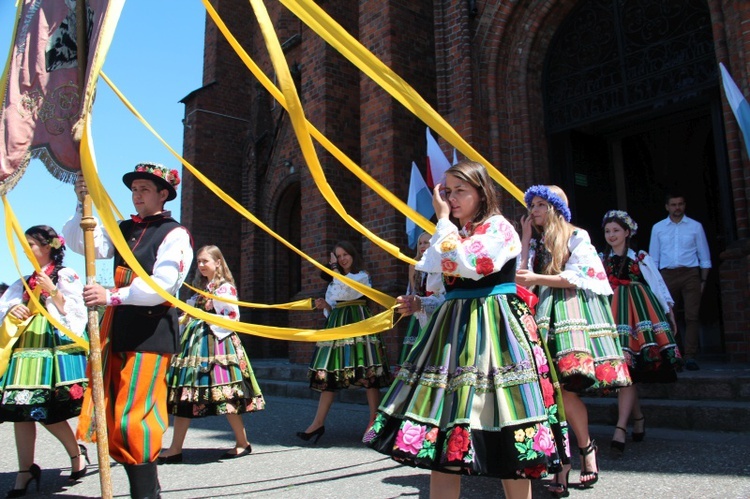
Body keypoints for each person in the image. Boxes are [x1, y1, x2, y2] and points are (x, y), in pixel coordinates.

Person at [364, 161, 567, 499]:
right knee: (445, 427)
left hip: (495, 329)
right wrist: (422, 305)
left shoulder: (499, 228)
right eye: (447, 191)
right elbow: (450, 289)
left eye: (460, 191)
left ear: (480, 192)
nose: (451, 198)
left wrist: (443, 220)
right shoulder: (458, 233)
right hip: (453, 331)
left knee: (509, 423)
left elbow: (471, 265)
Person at [63, 163, 193, 499]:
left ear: (164, 194)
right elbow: (82, 242)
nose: (136, 196)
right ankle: (147, 487)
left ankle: (146, 494)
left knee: (133, 419)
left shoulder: (175, 233)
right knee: (112, 414)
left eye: (144, 189)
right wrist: (82, 202)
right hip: (118, 327)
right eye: (134, 189)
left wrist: (112, 295)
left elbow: (163, 286)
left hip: (150, 331)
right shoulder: (124, 229)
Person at [516, 185, 630, 497]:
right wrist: (525, 239)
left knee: (565, 390)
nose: (534, 210)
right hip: (541, 315)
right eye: (532, 205)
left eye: (540, 204)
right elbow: (519, 276)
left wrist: (538, 279)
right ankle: (567, 459)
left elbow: (583, 276)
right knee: (548, 391)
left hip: (569, 315)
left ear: (555, 207)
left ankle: (581, 451)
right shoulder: (538, 241)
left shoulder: (577, 235)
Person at [0, 226, 89, 497]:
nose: (27, 249)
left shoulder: (64, 275)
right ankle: (24, 470)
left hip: (51, 347)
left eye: (31, 244)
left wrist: (52, 292)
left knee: (45, 409)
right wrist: (11, 309)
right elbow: (5, 306)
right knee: (20, 408)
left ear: (48, 246)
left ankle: (75, 454)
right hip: (26, 346)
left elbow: (75, 314)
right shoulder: (23, 280)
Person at [159, 245, 264, 463]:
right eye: (198, 261)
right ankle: (175, 447)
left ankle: (242, 442)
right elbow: (188, 314)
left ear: (218, 262)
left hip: (217, 344)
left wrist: (205, 315)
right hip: (194, 345)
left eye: (205, 261)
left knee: (226, 394)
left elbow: (232, 317)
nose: (201, 265)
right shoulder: (201, 288)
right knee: (185, 394)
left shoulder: (224, 289)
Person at [600, 210, 683, 453]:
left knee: (629, 367)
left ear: (627, 232)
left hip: (639, 313)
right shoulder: (601, 259)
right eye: (607, 231)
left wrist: (669, 312)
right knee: (625, 369)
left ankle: (620, 427)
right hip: (613, 312)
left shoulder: (640, 258)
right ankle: (637, 418)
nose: (612, 235)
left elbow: (657, 284)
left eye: (616, 230)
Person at [297, 240, 391, 443]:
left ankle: (374, 420)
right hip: (338, 323)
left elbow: (349, 290)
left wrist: (333, 269)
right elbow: (333, 303)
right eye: (338, 257)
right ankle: (318, 423)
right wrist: (325, 306)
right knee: (330, 375)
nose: (342, 259)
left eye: (344, 255)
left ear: (352, 255)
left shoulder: (361, 276)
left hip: (359, 321)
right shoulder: (333, 281)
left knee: (368, 371)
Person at [649, 193, 711, 371]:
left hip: (690, 273)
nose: (677, 208)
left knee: (692, 315)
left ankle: (690, 355)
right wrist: (656, 283)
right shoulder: (658, 228)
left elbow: (704, 256)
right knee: (669, 315)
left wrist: (703, 280)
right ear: (667, 207)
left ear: (684, 205)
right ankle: (674, 355)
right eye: (673, 204)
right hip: (667, 275)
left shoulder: (695, 227)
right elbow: (654, 259)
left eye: (680, 204)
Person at [397, 232, 444, 367]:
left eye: (426, 242)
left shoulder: (440, 262)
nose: (423, 246)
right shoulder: (414, 264)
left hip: (437, 305)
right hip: (420, 307)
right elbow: (413, 288)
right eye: (420, 243)